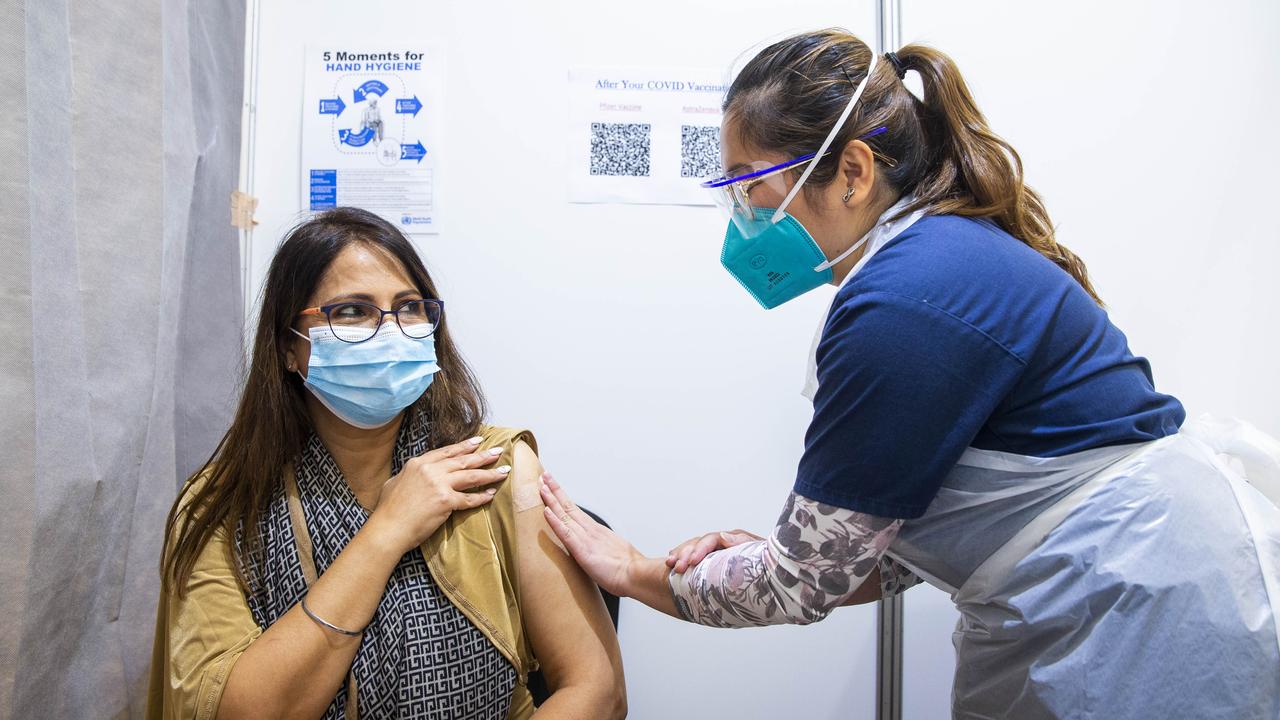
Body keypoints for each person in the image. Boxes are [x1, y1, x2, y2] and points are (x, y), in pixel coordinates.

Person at [539, 28, 1280, 720]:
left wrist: (636, 571)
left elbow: (800, 587)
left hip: (1139, 611)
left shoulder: (902, 303)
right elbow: (888, 544)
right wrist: (809, 548)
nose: (740, 214)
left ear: (853, 172)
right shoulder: (933, 261)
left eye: (749, 183)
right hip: (1122, 588)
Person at [147, 207, 625, 720]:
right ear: (290, 347)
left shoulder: (498, 467)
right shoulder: (221, 507)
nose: (391, 330)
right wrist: (386, 532)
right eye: (352, 311)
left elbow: (597, 691)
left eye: (409, 307)